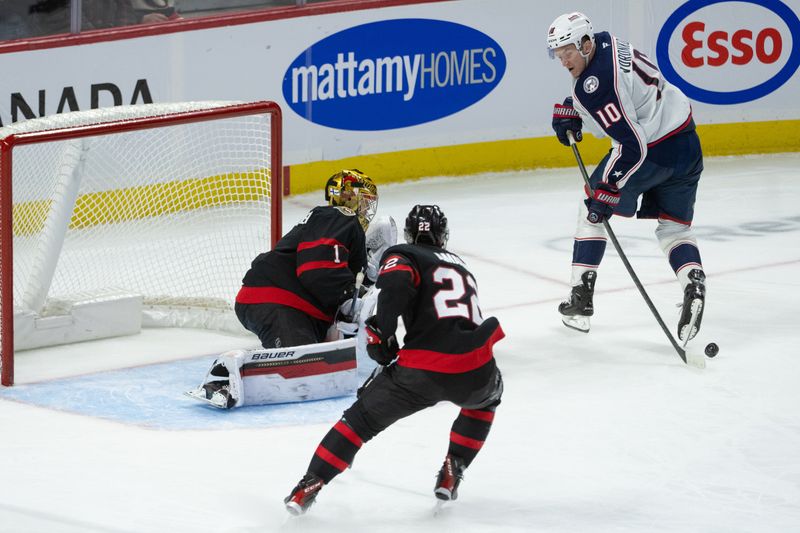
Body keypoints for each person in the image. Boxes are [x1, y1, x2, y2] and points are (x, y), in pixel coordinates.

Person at [284, 205, 505, 515]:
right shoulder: (462, 267)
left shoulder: (404, 253)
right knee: (485, 402)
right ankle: (454, 467)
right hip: (476, 365)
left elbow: (398, 284)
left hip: (421, 369)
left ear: (410, 234)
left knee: (359, 422)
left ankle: (308, 486)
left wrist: (381, 331)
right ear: (443, 237)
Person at [547, 12, 706, 341]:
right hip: (686, 142)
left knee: (591, 210)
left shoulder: (595, 85)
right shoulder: (607, 42)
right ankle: (693, 281)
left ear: (585, 44)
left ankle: (581, 297)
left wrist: (607, 189)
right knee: (675, 228)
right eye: (558, 54)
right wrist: (576, 111)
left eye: (568, 52)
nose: (564, 61)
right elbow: (623, 102)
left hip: (650, 151)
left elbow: (631, 145)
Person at [191, 169, 379, 408]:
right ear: (346, 197)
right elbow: (316, 268)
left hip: (291, 306)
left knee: (323, 365)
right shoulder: (338, 216)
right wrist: (347, 297)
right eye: (363, 199)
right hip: (277, 300)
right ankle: (226, 374)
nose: (366, 208)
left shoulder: (336, 227)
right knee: (306, 369)